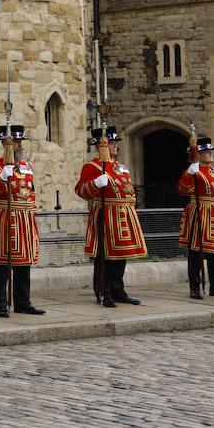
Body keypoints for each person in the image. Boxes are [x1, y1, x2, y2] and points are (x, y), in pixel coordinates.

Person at [74, 125, 147, 307]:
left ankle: (118, 289)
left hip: (123, 214)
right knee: (105, 256)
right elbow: (81, 190)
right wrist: (95, 184)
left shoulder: (121, 167)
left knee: (121, 255)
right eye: (111, 143)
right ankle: (104, 291)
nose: (115, 146)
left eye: (115, 143)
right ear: (101, 145)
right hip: (106, 213)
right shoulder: (92, 167)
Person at [0, 124, 45, 318]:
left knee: (24, 262)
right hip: (7, 217)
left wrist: (32, 212)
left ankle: (22, 301)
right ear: (5, 143)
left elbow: (31, 191)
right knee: (3, 261)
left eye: (20, 142)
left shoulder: (27, 167)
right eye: (15, 142)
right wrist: (1, 178)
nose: (18, 146)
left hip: (25, 217)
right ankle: (0, 302)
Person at [177, 137, 214, 299]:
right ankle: (195, 287)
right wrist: (190, 174)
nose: (210, 154)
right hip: (201, 211)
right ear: (199, 154)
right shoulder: (193, 171)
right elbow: (183, 189)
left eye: (210, 152)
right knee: (196, 252)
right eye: (206, 152)